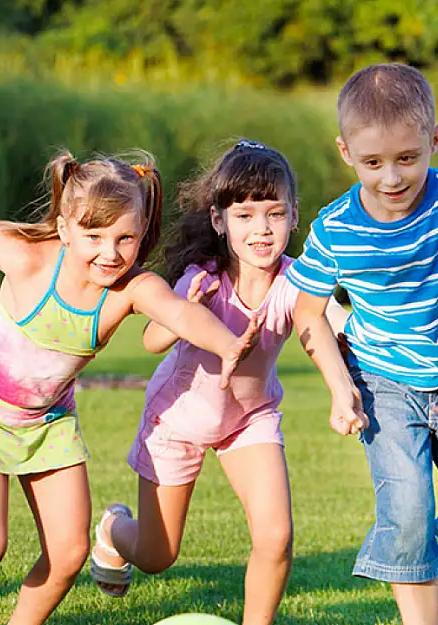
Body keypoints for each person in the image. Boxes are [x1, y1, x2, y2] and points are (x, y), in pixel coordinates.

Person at [0, 114, 259, 625]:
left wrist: (228, 344)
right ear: (65, 228)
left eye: (125, 239)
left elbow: (178, 313)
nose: (110, 253)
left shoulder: (130, 289)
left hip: (47, 422)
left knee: (67, 555)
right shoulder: (28, 260)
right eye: (94, 236)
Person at [288, 63, 438, 625]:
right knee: (406, 518)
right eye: (373, 162)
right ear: (345, 151)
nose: (392, 177)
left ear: (434, 140)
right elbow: (308, 311)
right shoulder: (336, 228)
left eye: (408, 158)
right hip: (382, 385)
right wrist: (338, 387)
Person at [90, 141, 348, 625]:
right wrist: (187, 306)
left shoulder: (296, 282)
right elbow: (152, 340)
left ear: (294, 217)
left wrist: (348, 379)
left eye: (274, 213)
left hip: (248, 421)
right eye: (246, 215)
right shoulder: (200, 279)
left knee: (275, 537)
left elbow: (328, 326)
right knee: (156, 555)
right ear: (219, 221)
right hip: (178, 421)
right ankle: (112, 529)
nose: (262, 229)